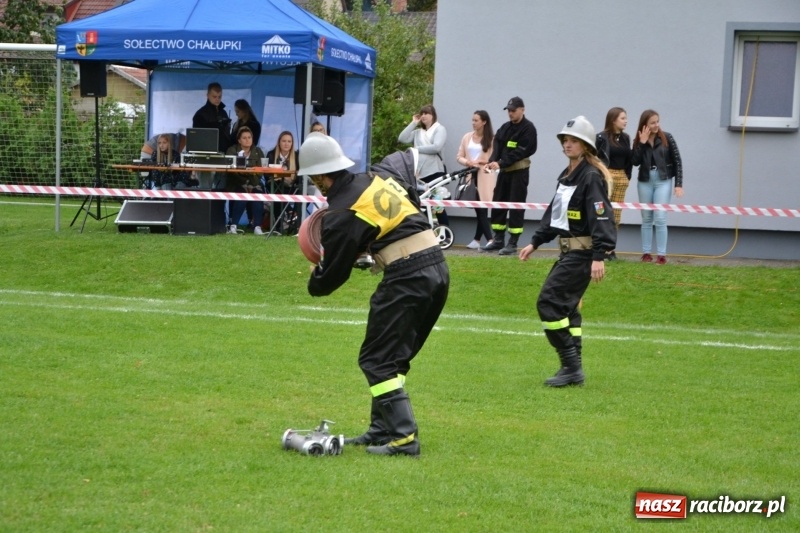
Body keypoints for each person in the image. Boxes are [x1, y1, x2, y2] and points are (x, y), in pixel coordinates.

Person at [298, 133, 449, 457]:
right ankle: (382, 429)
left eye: (314, 178)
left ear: (323, 176)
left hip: (407, 276)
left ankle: (404, 438)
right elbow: (398, 209)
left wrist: (315, 278)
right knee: (392, 357)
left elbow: (331, 277)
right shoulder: (377, 178)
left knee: (376, 359)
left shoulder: (341, 211)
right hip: (436, 267)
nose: (315, 185)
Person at [518, 116, 616, 387]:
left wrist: (599, 255)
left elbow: (602, 217)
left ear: (586, 146)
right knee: (568, 308)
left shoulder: (591, 176)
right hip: (569, 253)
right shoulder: (568, 175)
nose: (567, 144)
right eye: (565, 140)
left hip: (583, 254)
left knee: (548, 304)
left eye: (573, 140)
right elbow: (555, 214)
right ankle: (573, 368)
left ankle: (571, 366)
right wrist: (535, 242)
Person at [482, 96, 538, 255]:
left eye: (513, 110)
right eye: (509, 111)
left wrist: (501, 163)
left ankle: (512, 243)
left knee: (516, 206)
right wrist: (492, 161)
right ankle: (498, 240)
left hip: (519, 173)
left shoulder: (528, 129)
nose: (510, 113)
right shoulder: (505, 128)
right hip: (504, 172)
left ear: (523, 110)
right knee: (498, 203)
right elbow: (497, 144)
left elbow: (522, 151)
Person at [631, 109, 684, 265]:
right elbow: (634, 162)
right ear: (644, 125)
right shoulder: (639, 139)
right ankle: (646, 253)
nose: (656, 125)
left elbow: (677, 161)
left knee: (660, 218)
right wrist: (641, 143)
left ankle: (661, 255)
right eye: (652, 123)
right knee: (646, 218)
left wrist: (678, 184)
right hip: (645, 180)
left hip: (663, 179)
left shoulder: (667, 137)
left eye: (657, 122)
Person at [398, 104, 449, 226]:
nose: (424, 116)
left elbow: (437, 147)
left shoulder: (439, 129)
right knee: (421, 203)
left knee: (437, 203)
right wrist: (413, 123)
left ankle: (445, 230)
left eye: (427, 113)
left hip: (434, 170)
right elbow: (402, 138)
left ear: (433, 115)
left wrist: (417, 148)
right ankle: (426, 230)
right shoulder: (417, 132)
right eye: (422, 113)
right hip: (419, 173)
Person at [595, 107, 632, 260]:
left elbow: (630, 159)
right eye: (622, 118)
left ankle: (610, 249)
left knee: (616, 215)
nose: (626, 121)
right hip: (606, 176)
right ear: (613, 120)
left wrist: (626, 177)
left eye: (626, 118)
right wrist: (601, 176)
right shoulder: (601, 137)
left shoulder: (626, 138)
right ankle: (598, 247)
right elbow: (595, 159)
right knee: (601, 212)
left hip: (621, 177)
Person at [456, 110, 495, 249]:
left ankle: (489, 239)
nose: (473, 123)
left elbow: (494, 161)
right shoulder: (467, 137)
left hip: (485, 176)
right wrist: (468, 162)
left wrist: (484, 161)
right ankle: (478, 240)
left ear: (484, 122)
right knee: (479, 208)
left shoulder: (491, 139)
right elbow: (459, 156)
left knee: (482, 208)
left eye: (476, 120)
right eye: (472, 120)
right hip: (470, 174)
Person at [225, 127, 266, 235]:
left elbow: (260, 172)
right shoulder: (232, 150)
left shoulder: (258, 151)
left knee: (257, 196)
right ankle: (233, 226)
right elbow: (232, 172)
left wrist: (251, 185)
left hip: (254, 184)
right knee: (241, 195)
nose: (247, 140)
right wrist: (245, 183)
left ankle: (257, 226)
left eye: (249, 137)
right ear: (239, 140)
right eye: (244, 138)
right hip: (236, 183)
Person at [266, 131, 300, 234]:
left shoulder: (297, 155)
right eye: (284, 141)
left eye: (289, 141)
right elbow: (266, 174)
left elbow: (300, 174)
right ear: (279, 142)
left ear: (292, 143)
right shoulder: (271, 154)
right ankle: (280, 224)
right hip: (275, 185)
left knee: (304, 194)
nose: (286, 144)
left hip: (291, 185)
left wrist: (292, 179)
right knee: (278, 193)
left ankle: (296, 223)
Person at [192, 82, 233, 153]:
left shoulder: (223, 113)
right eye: (214, 97)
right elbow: (197, 137)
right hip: (206, 153)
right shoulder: (200, 114)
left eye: (219, 97)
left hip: (223, 152)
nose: (217, 99)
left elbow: (227, 135)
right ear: (207, 95)